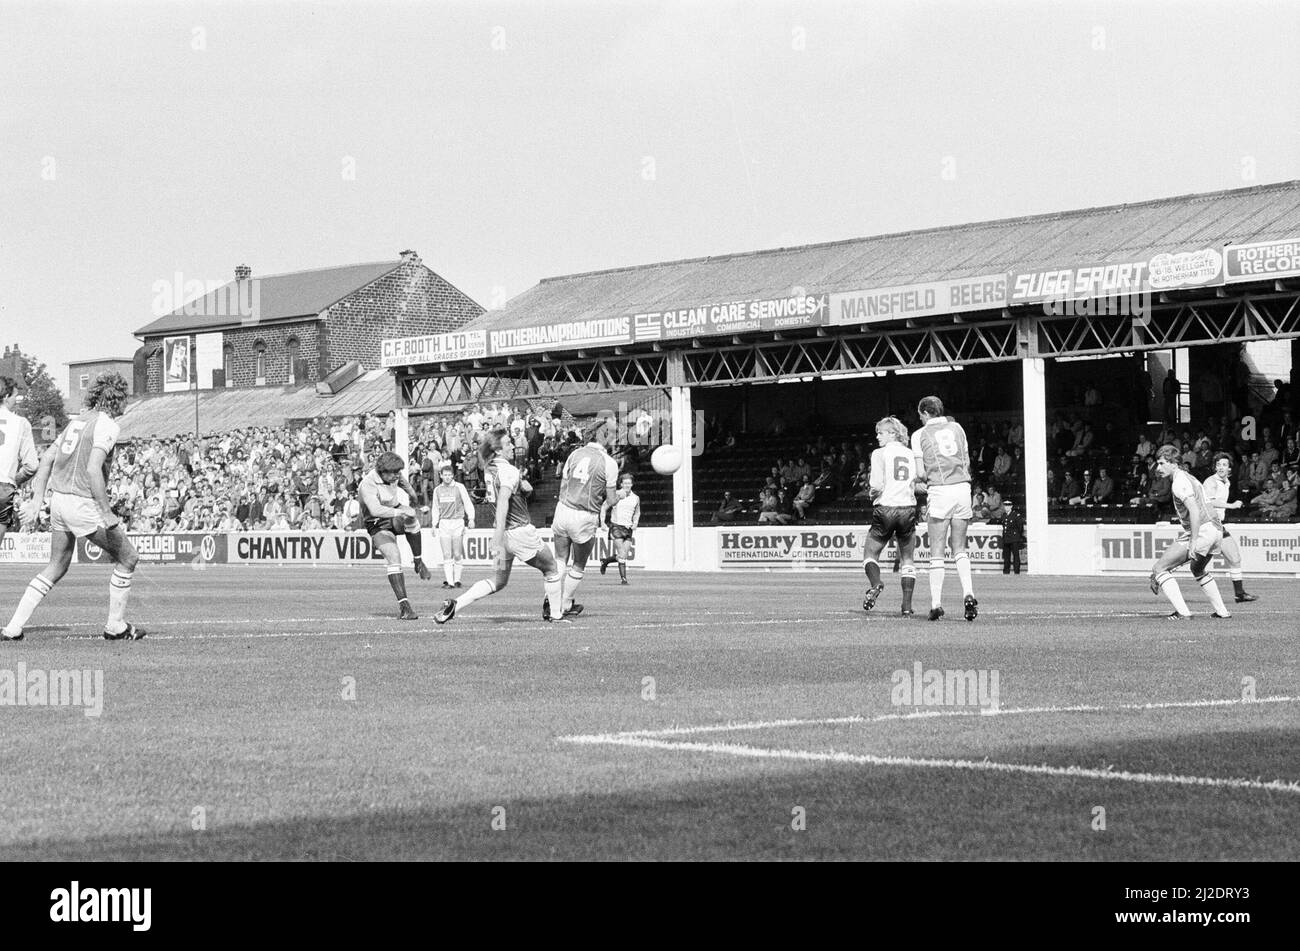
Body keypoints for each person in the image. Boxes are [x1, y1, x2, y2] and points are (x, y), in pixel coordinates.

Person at [2, 374, 145, 641]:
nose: (127, 401)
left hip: (58, 501)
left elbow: (45, 460)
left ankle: (12, 628)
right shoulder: (107, 425)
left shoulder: (76, 422)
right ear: (116, 398)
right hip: (82, 503)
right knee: (128, 558)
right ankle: (115, 625)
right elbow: (93, 470)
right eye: (125, 396)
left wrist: (37, 501)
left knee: (56, 565)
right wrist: (106, 512)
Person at [435, 428, 566, 625]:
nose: (513, 446)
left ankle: (455, 604)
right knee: (551, 568)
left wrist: (523, 485)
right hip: (518, 533)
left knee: (498, 581)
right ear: (497, 450)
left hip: (503, 536)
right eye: (507, 444)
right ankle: (555, 614)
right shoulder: (509, 471)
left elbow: (508, 491)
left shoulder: (489, 470)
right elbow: (504, 500)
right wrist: (497, 536)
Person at [911, 396, 978, 621]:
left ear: (925, 413)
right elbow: (966, 460)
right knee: (960, 548)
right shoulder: (957, 428)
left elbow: (921, 472)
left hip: (940, 490)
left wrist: (918, 482)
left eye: (920, 414)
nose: (919, 418)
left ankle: (936, 603)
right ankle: (968, 593)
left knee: (937, 551)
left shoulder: (919, 435)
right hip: (963, 489)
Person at [1147, 445, 1231, 620]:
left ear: (1173, 463)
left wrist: (1193, 540)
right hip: (1216, 529)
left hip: (1203, 530)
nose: (1158, 468)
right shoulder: (1189, 477)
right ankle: (1222, 612)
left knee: (1159, 569)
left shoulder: (1179, 482)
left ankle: (1183, 613)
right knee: (1198, 569)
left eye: (1162, 463)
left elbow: (1193, 511)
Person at [548, 421, 619, 618]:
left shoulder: (574, 454)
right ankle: (565, 603)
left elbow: (563, 485)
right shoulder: (609, 462)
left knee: (560, 559)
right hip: (585, 515)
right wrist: (620, 495)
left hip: (562, 509)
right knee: (579, 563)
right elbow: (611, 499)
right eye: (611, 434)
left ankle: (551, 600)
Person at [358, 451, 430, 621]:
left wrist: (414, 501)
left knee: (412, 516)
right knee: (394, 556)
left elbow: (408, 488)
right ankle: (405, 607)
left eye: (399, 472)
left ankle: (418, 561)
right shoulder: (368, 484)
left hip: (394, 511)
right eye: (394, 473)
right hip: (376, 521)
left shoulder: (394, 473)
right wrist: (401, 512)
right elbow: (375, 510)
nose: (397, 476)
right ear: (383, 472)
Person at [862, 416, 919, 616]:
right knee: (908, 559)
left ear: (893, 433)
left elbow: (876, 485)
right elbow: (917, 481)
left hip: (886, 507)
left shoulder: (879, 453)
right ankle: (906, 606)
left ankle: (876, 584)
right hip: (908, 508)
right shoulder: (910, 454)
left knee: (870, 554)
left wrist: (872, 494)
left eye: (881, 432)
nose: (877, 437)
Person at [1201, 453, 1257, 604]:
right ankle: (1163, 572)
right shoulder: (1211, 482)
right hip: (1208, 524)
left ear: (1229, 468)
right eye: (1218, 464)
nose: (1221, 467)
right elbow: (1210, 503)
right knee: (1192, 559)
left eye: (1224, 465)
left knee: (1234, 558)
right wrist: (1231, 505)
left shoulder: (1226, 482)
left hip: (1218, 525)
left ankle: (1239, 594)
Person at [0, 376, 39, 552]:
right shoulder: (21, 423)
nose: (16, 401)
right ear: (6, 395)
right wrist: (13, 480)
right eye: (15, 396)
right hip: (3, 487)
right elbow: (31, 465)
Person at [431, 463, 475, 589]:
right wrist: (434, 524)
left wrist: (471, 518)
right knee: (446, 554)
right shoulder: (437, 490)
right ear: (440, 475)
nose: (447, 477)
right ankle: (449, 582)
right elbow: (435, 508)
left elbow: (467, 502)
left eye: (449, 475)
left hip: (457, 522)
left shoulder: (459, 487)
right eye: (445, 475)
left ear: (453, 475)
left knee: (457, 554)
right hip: (444, 523)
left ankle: (457, 580)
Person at [599, 473, 640, 585]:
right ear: (621, 484)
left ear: (632, 484)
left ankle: (606, 561)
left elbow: (637, 513)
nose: (627, 485)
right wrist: (602, 522)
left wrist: (635, 523)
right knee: (622, 554)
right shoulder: (616, 495)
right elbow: (604, 507)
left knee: (623, 555)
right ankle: (624, 579)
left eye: (629, 483)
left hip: (628, 528)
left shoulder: (636, 498)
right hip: (616, 527)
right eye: (625, 483)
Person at [1000, 500, 1025, 574]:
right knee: (1006, 557)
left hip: (1014, 538)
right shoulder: (1004, 515)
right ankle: (1006, 571)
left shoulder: (1016, 515)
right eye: (1005, 506)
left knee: (1016, 556)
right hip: (1006, 538)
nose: (1006, 507)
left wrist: (1018, 536)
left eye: (1008, 505)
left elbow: (1020, 527)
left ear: (1011, 506)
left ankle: (1016, 572)